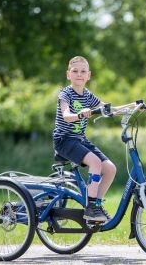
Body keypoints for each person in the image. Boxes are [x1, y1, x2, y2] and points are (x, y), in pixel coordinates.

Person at [53, 56, 136, 223]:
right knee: (96, 163)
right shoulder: (65, 94)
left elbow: (108, 109)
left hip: (80, 140)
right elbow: (67, 115)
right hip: (64, 140)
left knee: (110, 169)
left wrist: (132, 106)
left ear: (89, 75)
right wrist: (81, 114)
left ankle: (96, 204)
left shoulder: (88, 95)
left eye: (83, 71)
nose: (79, 74)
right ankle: (90, 208)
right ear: (68, 74)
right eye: (75, 71)